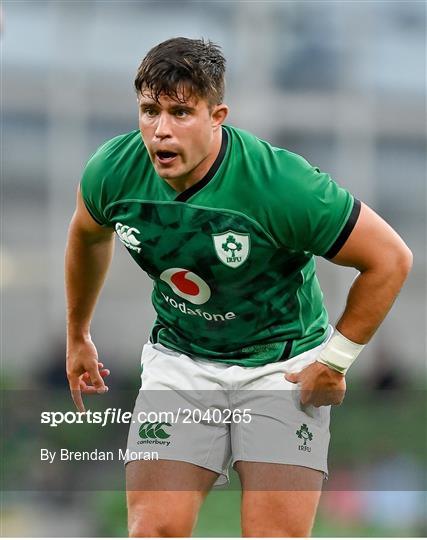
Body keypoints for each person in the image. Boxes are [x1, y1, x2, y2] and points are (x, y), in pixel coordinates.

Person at [65, 37, 412, 537]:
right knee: (153, 530)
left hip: (282, 369)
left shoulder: (281, 186)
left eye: (181, 112)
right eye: (149, 111)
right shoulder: (112, 172)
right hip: (181, 361)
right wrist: (79, 334)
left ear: (216, 115)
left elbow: (390, 259)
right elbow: (87, 235)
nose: (161, 130)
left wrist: (334, 361)